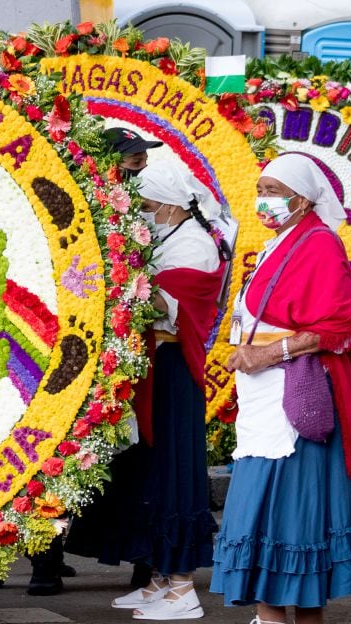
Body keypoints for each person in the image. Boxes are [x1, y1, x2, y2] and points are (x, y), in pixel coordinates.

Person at [210, 153, 351, 624]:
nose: (264, 199)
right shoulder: (282, 241)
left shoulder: (318, 244)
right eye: (261, 189)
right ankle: (269, 617)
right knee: (267, 527)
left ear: (301, 199)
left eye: (274, 191)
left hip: (291, 407)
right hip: (264, 403)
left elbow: (345, 322)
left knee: (291, 527)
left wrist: (270, 353)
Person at [107, 164, 229, 621]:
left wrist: (123, 282)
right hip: (157, 365)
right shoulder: (168, 239)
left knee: (176, 467)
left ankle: (183, 587)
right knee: (155, 469)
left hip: (175, 369)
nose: (143, 212)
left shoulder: (194, 245)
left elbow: (169, 302)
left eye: (147, 205)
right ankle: (161, 576)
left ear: (170, 205)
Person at [58, 127, 166, 596]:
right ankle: (46, 561)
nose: (140, 165)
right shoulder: (94, 210)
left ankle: (135, 559)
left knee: (124, 454)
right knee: (67, 449)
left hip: (125, 353)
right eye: (132, 159)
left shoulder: (134, 214)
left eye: (143, 158)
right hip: (89, 348)